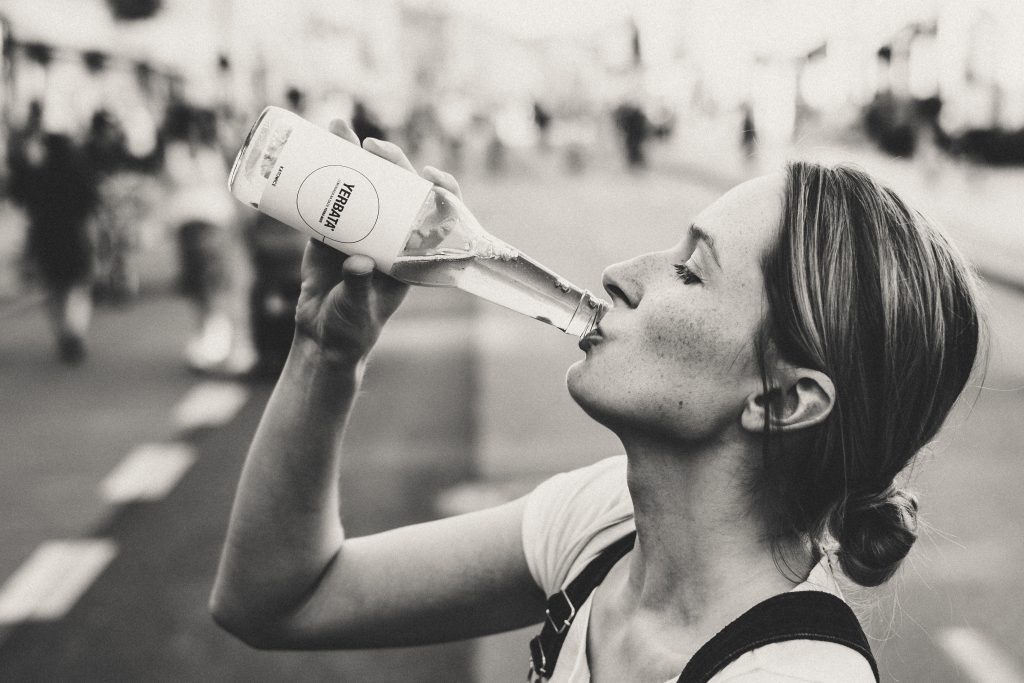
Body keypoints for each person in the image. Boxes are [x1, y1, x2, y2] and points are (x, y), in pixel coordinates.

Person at [210, 121, 983, 681]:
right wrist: (326, 349)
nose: (619, 272)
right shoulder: (610, 525)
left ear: (784, 398)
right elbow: (278, 598)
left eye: (689, 271)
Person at [8, 103, 101, 364]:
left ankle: (63, 331)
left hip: (44, 234)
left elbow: (20, 197)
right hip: (73, 233)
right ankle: (74, 330)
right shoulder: (78, 170)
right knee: (78, 285)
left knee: (54, 287)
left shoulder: (37, 173)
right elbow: (91, 204)